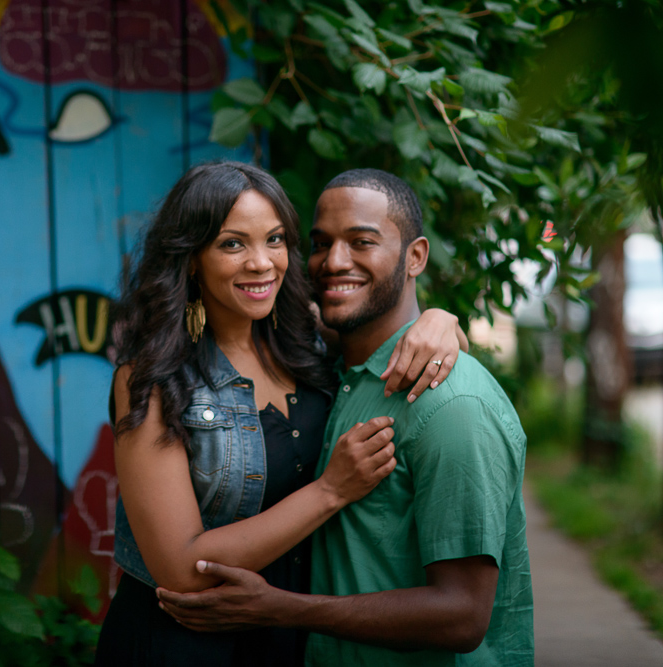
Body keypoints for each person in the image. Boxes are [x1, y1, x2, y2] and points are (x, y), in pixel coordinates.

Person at [95, 162, 468, 667]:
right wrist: (331, 490)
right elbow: (182, 568)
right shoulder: (152, 379)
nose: (261, 263)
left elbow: (391, 329)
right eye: (232, 244)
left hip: (287, 639)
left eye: (273, 240)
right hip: (180, 647)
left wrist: (441, 322)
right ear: (190, 259)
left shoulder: (308, 344)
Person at [158, 168, 534, 666]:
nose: (334, 262)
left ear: (415, 256)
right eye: (320, 243)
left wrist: (285, 609)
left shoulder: (451, 403)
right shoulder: (326, 368)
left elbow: (463, 616)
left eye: (361, 242)